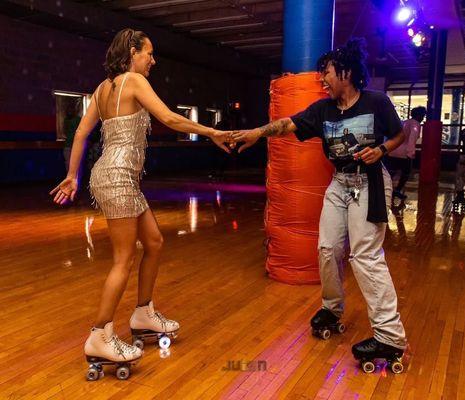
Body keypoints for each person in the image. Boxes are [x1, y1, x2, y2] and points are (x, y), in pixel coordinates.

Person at [50, 28, 232, 380]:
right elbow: (169, 118)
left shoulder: (102, 89)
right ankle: (99, 334)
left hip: (117, 176)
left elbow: (81, 133)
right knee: (123, 258)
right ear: (132, 52)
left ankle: (143, 313)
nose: (153, 59)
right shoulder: (132, 80)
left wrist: (74, 174)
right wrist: (212, 132)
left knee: (154, 242)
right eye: (149, 53)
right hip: (118, 177)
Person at [231, 38, 407, 372]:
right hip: (340, 183)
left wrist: (381, 150)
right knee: (327, 248)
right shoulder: (323, 110)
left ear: (347, 71)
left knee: (365, 256)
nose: (322, 80)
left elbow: (399, 136)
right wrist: (256, 131)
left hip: (369, 181)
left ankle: (390, 335)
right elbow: (287, 124)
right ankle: (332, 307)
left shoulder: (376, 102)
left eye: (326, 73)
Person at [384, 106, 426, 200]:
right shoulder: (415, 124)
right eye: (423, 115)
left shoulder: (404, 122)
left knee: (391, 173)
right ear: (419, 115)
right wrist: (411, 153)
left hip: (393, 151)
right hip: (404, 153)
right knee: (406, 173)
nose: (423, 118)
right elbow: (412, 138)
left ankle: (387, 190)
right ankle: (397, 190)